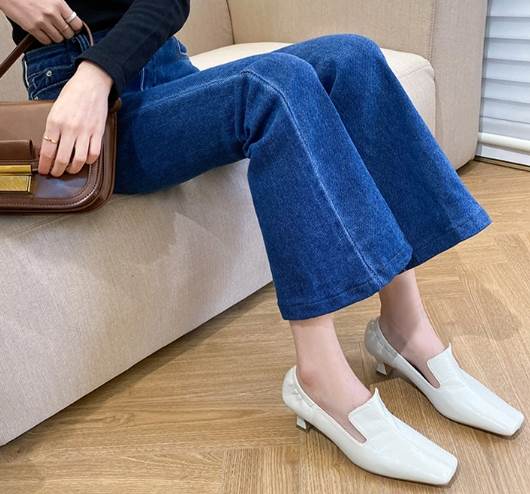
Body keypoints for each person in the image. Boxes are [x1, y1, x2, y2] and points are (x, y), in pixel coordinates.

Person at [1, 0, 524, 486]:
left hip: (151, 72)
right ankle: (319, 378)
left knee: (353, 58)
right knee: (274, 85)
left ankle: (406, 331)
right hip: (86, 109)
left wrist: (98, 73)